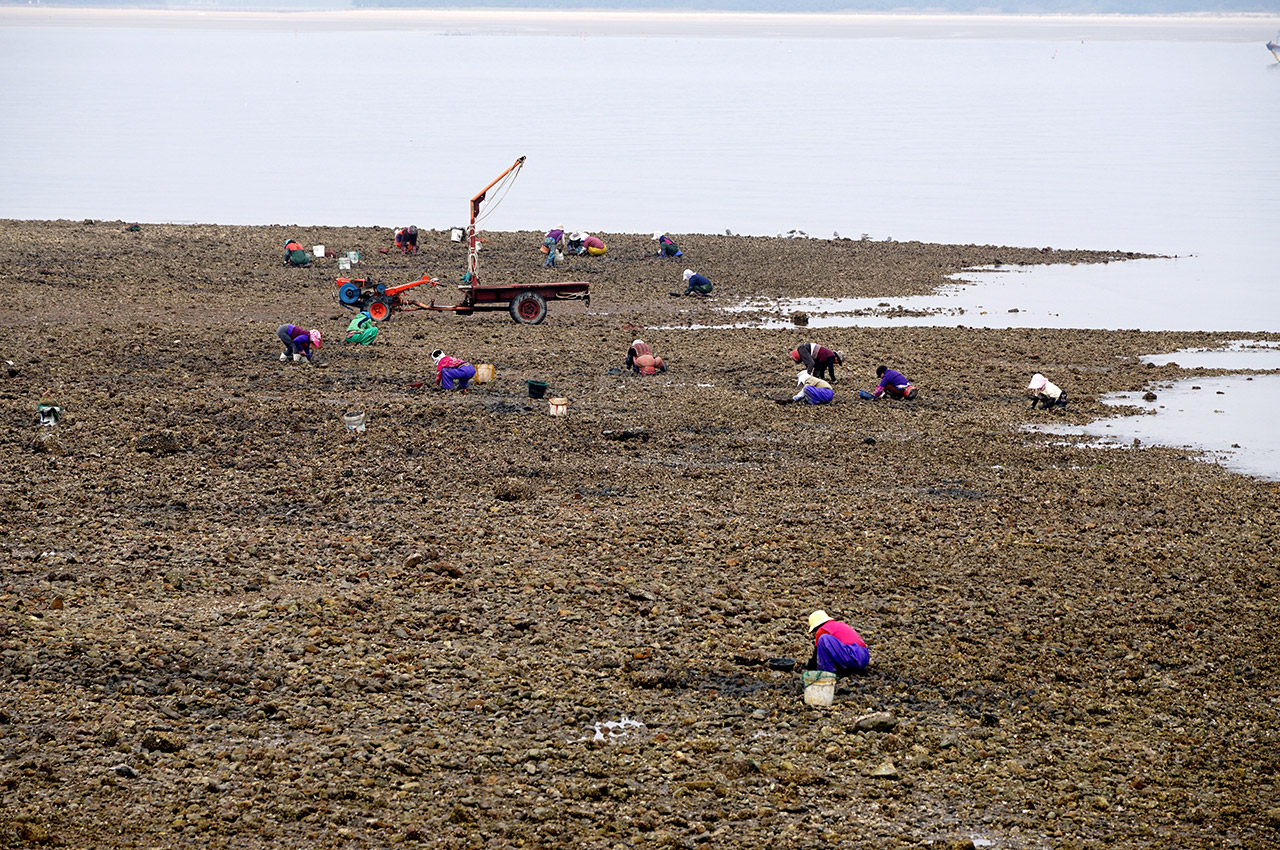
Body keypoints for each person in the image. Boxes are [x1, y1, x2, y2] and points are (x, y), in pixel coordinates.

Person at [804, 610, 870, 677]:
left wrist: (808, 666)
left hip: (853, 656)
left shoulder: (822, 630)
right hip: (864, 656)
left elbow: (817, 655)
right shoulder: (839, 625)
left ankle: (827, 674)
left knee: (823, 639)